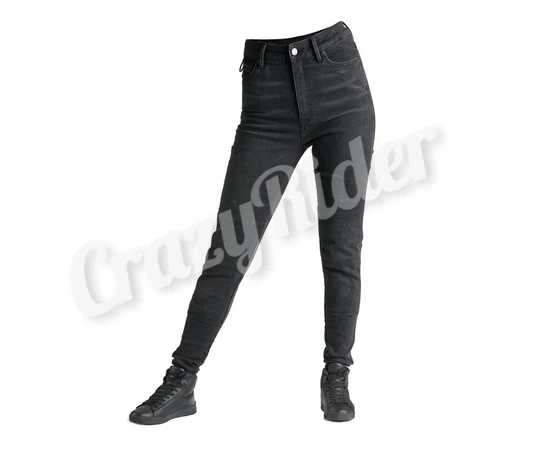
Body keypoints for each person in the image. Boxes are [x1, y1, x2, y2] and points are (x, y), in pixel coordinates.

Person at [129, 21, 374, 425]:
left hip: (339, 80)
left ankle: (336, 373)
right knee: (230, 246)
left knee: (342, 245)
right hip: (267, 87)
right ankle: (181, 379)